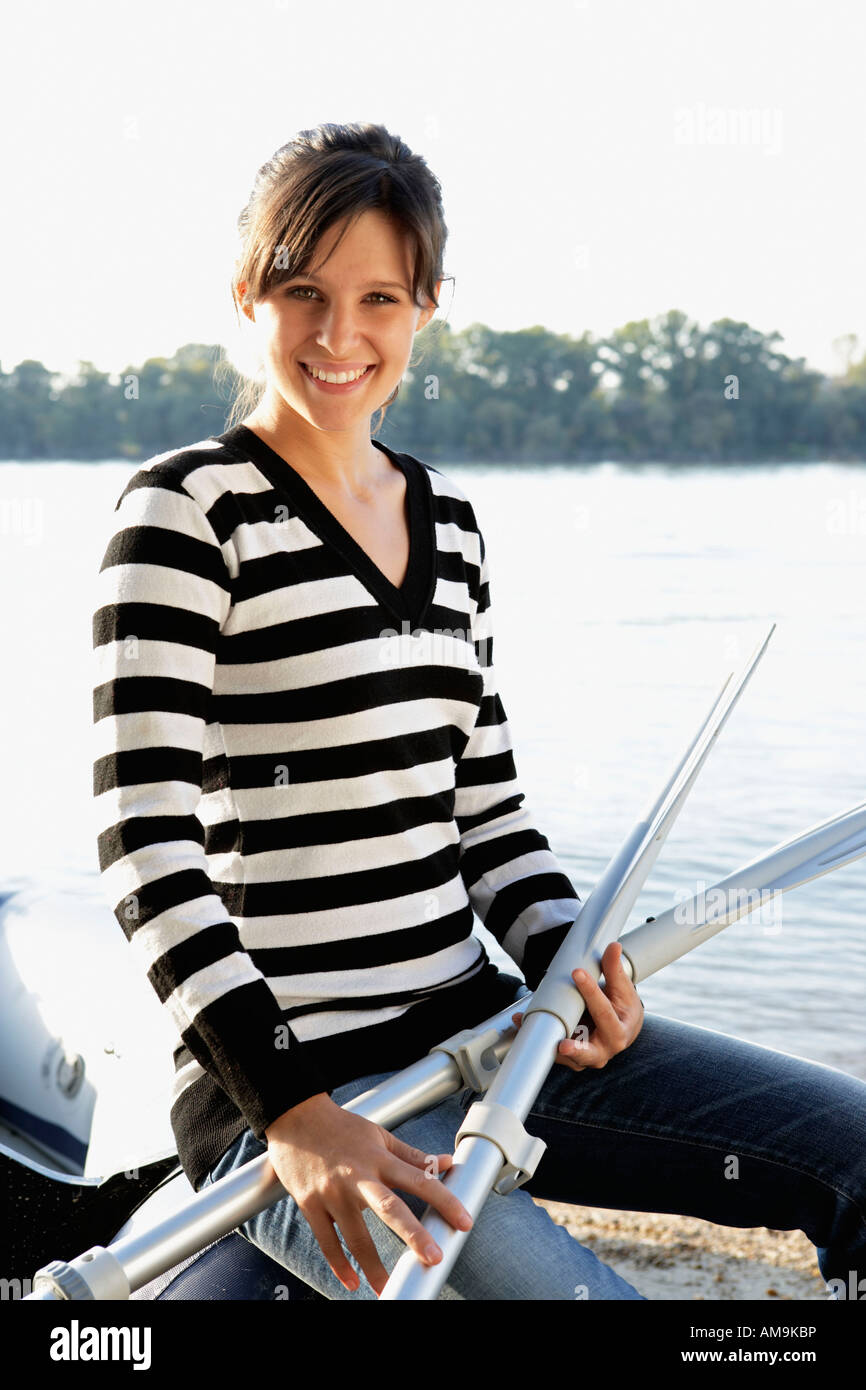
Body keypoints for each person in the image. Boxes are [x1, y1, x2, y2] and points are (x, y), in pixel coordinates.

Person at [92, 121, 866, 1301]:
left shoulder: (446, 521)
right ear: (245, 295)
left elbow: (485, 814)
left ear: (428, 307)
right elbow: (145, 847)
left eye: (379, 298)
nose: (339, 334)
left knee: (852, 1152)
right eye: (302, 291)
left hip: (489, 1034)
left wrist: (567, 961)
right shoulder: (185, 511)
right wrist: (295, 1114)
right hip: (297, 1090)